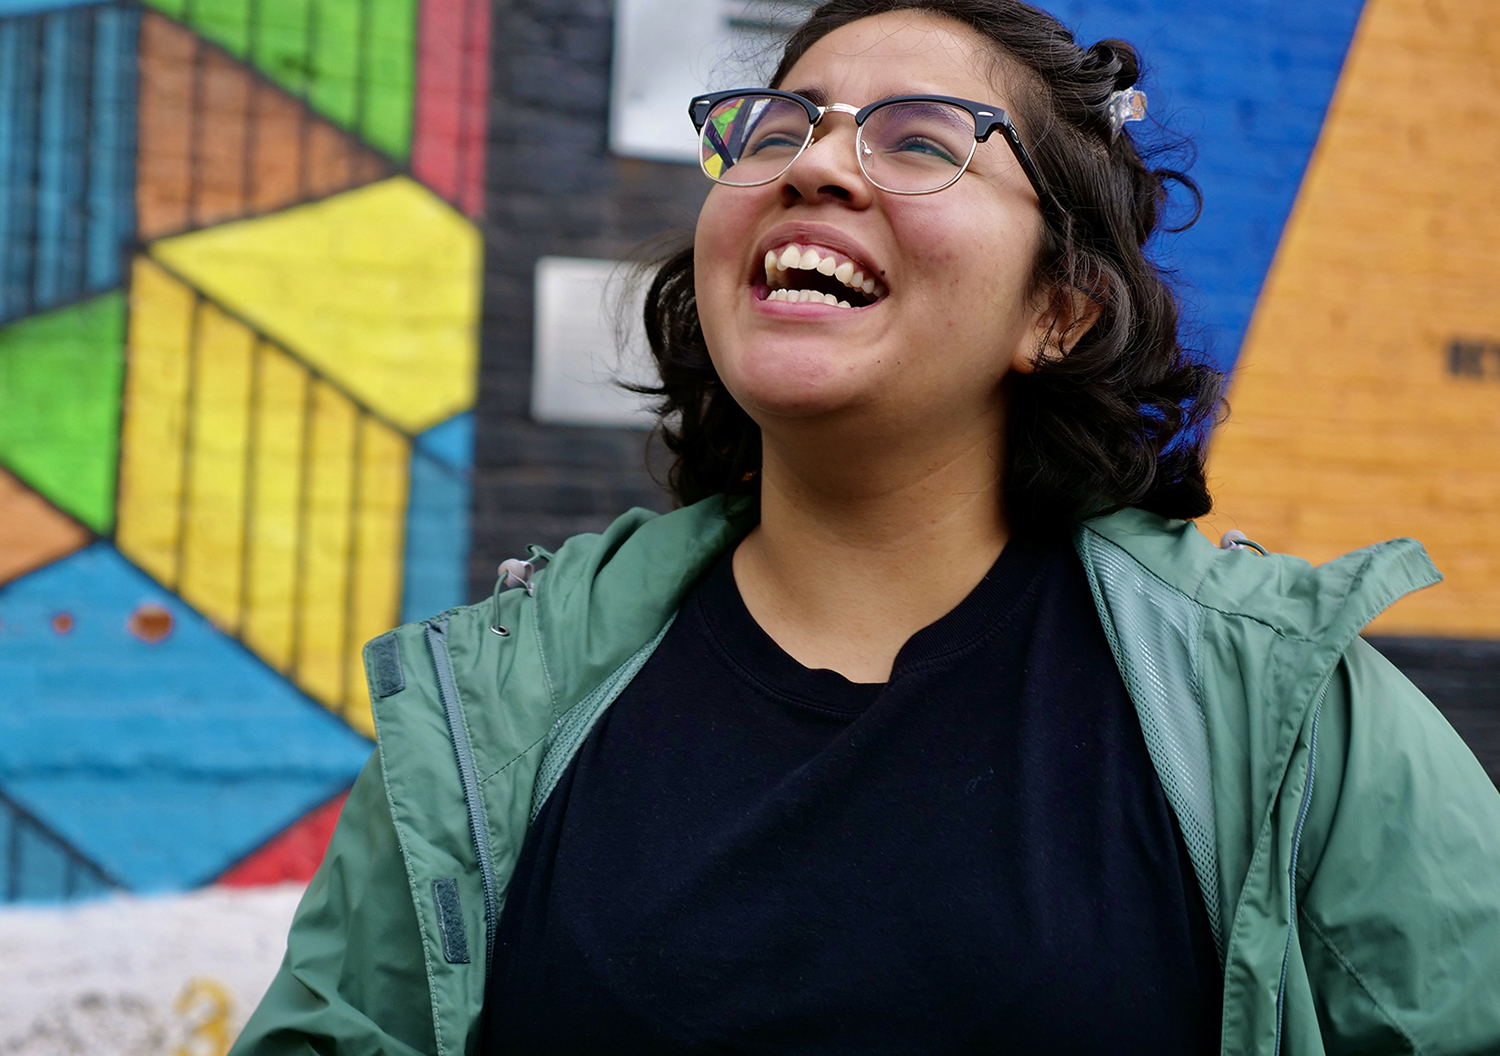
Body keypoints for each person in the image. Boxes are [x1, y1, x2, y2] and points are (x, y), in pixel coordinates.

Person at [230, 1, 1500, 1053]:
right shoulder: (488, 709)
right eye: (779, 128)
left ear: (1055, 313)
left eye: (921, 141)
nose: (817, 164)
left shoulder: (1283, 712)